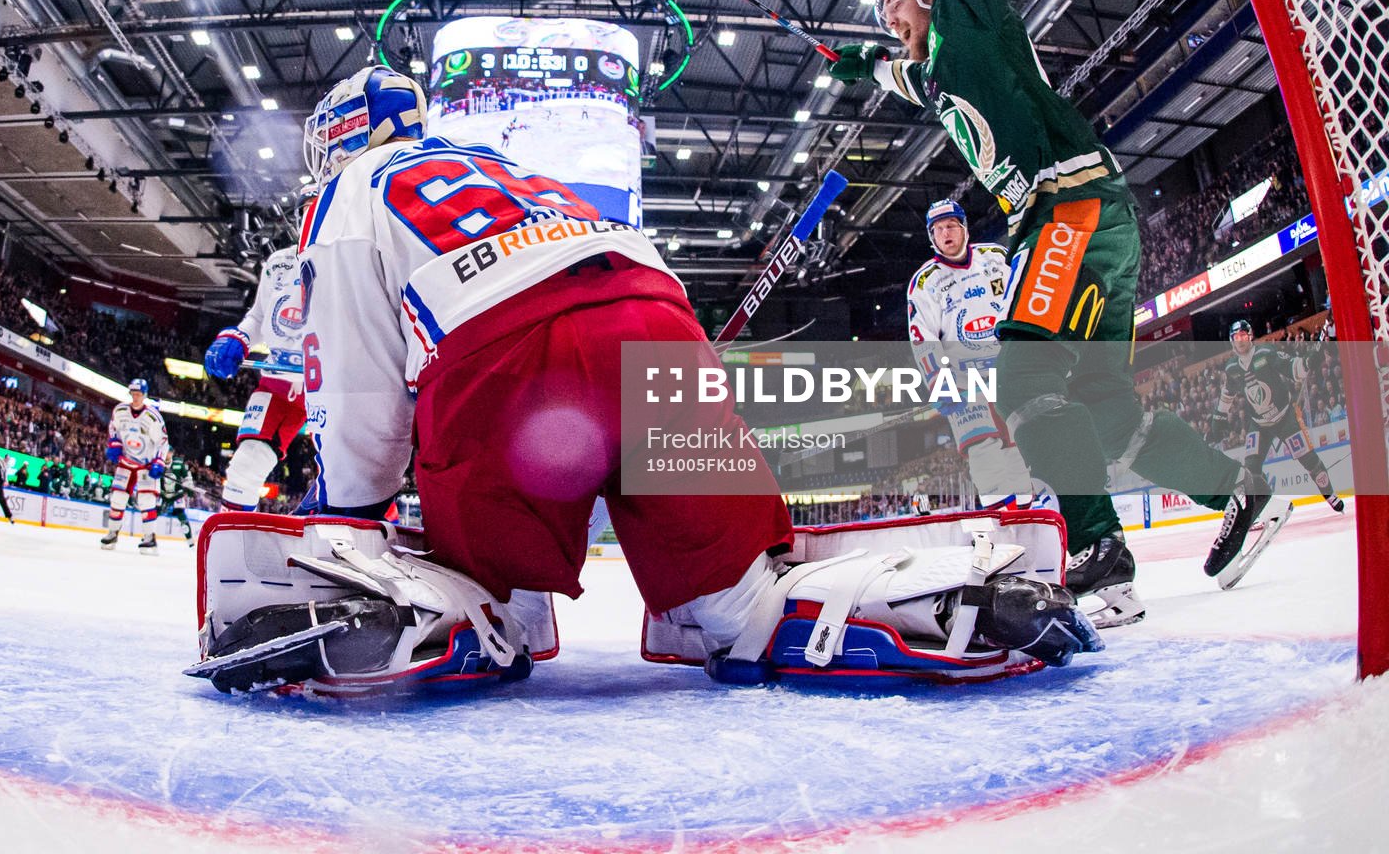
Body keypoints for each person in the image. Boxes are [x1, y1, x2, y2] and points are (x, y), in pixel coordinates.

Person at [186, 68, 1096, 694]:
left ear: (342, 136)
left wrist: (355, 522)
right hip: (657, 317)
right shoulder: (510, 166)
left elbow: (361, 384)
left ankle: (461, 617)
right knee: (741, 605)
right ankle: (944, 595)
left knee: (489, 587)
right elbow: (621, 278)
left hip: (516, 362)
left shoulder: (350, 194)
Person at [828, 0, 1284, 626]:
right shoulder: (931, 71)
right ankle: (1241, 488)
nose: (891, 21)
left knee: (1028, 377)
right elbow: (901, 76)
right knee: (1108, 415)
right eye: (884, 15)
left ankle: (1101, 556)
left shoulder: (971, 18)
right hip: (1093, 220)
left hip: (1067, 208)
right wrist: (860, 65)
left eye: (897, 5)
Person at [906, 199, 1039, 508]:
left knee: (1016, 446)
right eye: (938, 229)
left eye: (951, 225)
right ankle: (996, 524)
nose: (945, 233)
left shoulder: (995, 257)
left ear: (964, 228)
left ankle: (1025, 518)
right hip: (963, 378)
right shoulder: (925, 282)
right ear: (932, 237)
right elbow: (922, 339)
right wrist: (939, 381)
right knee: (983, 446)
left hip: (1006, 371)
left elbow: (1022, 298)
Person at [205, 236, 308, 511]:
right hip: (279, 381)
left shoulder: (354, 256)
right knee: (245, 467)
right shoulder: (278, 262)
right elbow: (259, 317)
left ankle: (380, 543)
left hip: (336, 387)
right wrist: (238, 337)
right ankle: (233, 549)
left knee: (357, 479)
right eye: (305, 207)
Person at [1212, 319, 1345, 514]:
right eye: (1235, 337)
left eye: (1242, 336)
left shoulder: (1266, 353)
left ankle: (1329, 494)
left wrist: (1309, 360)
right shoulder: (1232, 368)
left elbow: (1294, 368)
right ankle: (1259, 512)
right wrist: (1219, 417)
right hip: (1258, 424)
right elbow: (1227, 394)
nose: (1239, 340)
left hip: (1285, 418)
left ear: (1250, 336)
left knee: (1307, 459)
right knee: (1250, 470)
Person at [101, 379, 170, 552]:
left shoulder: (153, 417)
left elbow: (163, 442)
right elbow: (113, 429)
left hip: (145, 466)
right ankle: (112, 533)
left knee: (146, 500)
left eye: (139, 394)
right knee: (118, 497)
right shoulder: (120, 411)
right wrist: (114, 444)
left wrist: (159, 462)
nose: (136, 397)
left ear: (145, 395)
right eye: (133, 393)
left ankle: (149, 537)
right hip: (126, 462)